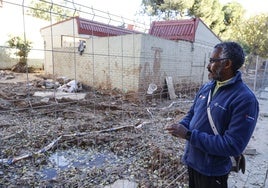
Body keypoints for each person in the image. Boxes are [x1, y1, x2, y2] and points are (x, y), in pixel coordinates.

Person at [165, 41, 259, 188]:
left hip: (213, 171)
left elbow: (233, 145)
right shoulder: (207, 87)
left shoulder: (245, 99)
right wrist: (180, 127)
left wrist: (189, 135)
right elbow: (192, 114)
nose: (208, 66)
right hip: (192, 162)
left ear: (227, 63)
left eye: (212, 61)